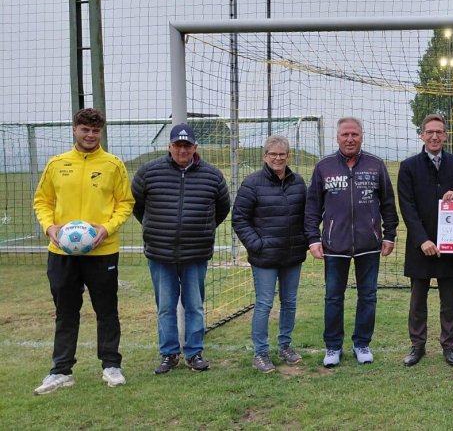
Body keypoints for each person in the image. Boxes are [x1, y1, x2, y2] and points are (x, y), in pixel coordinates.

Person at [32, 108, 135, 394]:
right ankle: (61, 371)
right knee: (65, 311)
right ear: (75, 130)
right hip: (62, 252)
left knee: (107, 309)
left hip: (102, 252)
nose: (90, 135)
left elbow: (125, 203)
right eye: (85, 130)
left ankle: (111, 365)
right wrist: (50, 228)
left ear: (101, 132)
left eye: (95, 131)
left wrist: (107, 228)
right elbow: (42, 201)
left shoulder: (113, 164)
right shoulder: (57, 164)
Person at [132, 123, 231, 374]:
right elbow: (137, 206)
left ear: (195, 147)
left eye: (187, 145)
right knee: (166, 307)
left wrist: (202, 230)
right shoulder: (148, 172)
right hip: (160, 253)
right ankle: (169, 354)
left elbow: (222, 208)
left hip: (195, 253)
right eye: (178, 145)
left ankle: (194, 353)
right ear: (169, 146)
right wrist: (157, 230)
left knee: (194, 306)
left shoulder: (212, 175)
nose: (182, 150)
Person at [305, 116, 399, 368]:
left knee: (368, 296)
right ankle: (333, 346)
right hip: (334, 246)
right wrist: (313, 238)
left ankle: (362, 344)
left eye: (354, 134)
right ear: (337, 137)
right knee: (333, 298)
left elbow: (388, 203)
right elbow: (312, 206)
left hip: (369, 244)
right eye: (345, 134)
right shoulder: (324, 166)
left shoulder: (376, 165)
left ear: (362, 136)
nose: (349, 139)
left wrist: (389, 234)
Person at [397, 114, 453, 367]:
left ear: (445, 135)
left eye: (439, 132)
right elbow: (407, 207)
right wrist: (422, 240)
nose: (434, 136)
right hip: (420, 246)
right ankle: (417, 346)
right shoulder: (408, 166)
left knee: (449, 301)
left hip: (450, 244)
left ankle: (449, 345)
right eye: (429, 132)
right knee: (417, 301)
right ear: (421, 135)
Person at [232, 135, 308, 373]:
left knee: (290, 302)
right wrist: (257, 245)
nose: (277, 158)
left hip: (292, 255)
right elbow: (239, 219)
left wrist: (305, 241)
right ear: (265, 156)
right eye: (273, 154)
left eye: (282, 154)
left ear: (288, 156)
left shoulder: (298, 183)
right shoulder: (252, 183)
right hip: (265, 257)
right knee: (264, 304)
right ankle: (261, 353)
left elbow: (308, 216)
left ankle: (285, 346)